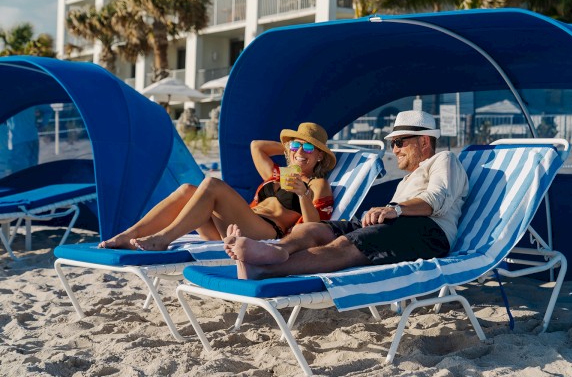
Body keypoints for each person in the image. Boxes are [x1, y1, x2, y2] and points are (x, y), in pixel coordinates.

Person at [224, 110, 469, 280]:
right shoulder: (408, 178)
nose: (394, 149)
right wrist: (390, 212)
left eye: (400, 142)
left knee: (347, 245)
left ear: (424, 141)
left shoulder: (444, 159)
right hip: (399, 223)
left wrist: (395, 209)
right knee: (315, 229)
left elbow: (437, 199)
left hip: (428, 232)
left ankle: (263, 270)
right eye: (392, 142)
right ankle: (277, 250)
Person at [99, 122, 336, 251]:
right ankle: (130, 233)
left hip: (266, 234)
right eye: (296, 146)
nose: (300, 153)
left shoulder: (317, 184)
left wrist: (303, 194)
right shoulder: (276, 175)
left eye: (308, 149)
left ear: (319, 157)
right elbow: (257, 146)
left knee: (212, 183)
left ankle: (163, 238)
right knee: (187, 190)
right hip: (234, 226)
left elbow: (316, 228)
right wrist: (289, 147)